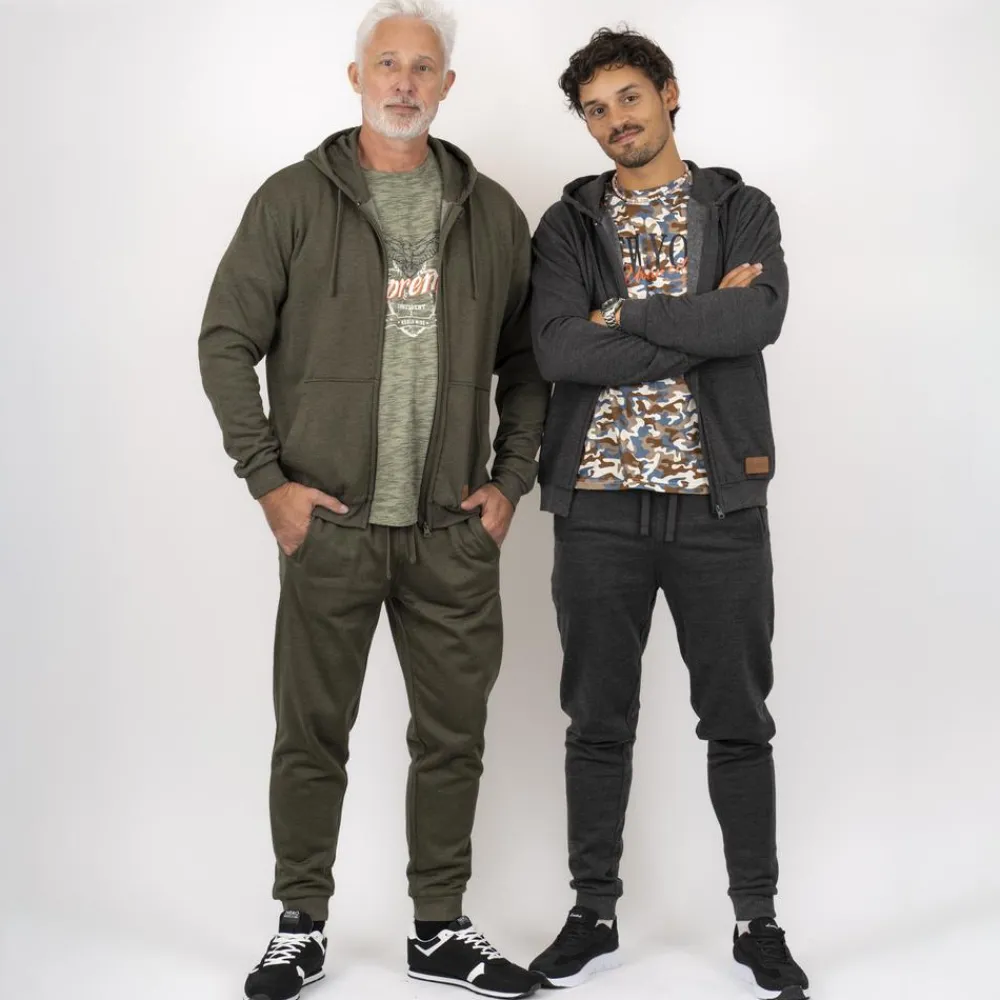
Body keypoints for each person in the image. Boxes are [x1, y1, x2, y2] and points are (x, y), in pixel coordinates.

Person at [198, 3, 547, 998]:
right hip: (332, 526)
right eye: (386, 63)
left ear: (447, 86)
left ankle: (438, 929)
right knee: (311, 735)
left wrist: (509, 482)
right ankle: (300, 926)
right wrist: (269, 484)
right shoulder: (291, 200)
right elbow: (225, 340)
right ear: (355, 77)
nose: (403, 81)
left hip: (450, 533)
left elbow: (530, 362)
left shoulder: (491, 212)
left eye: (422, 67)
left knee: (454, 739)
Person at [526, 28, 809, 1000]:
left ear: (669, 94)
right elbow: (560, 351)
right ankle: (591, 913)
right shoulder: (567, 225)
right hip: (597, 506)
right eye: (596, 109)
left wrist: (627, 314)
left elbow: (757, 318)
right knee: (596, 720)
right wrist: (697, 323)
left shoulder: (739, 208)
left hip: (717, 506)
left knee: (738, 719)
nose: (616, 120)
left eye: (629, 98)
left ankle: (757, 920)